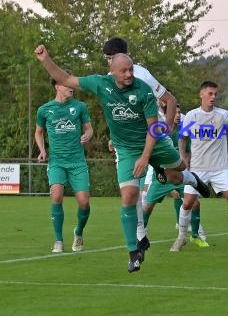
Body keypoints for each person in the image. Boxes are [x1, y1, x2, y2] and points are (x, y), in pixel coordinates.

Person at [35, 45, 209, 273]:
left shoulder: (143, 90)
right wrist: (45, 59)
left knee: (177, 174)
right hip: (126, 149)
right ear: (112, 70)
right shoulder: (100, 83)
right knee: (129, 195)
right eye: (124, 71)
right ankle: (134, 251)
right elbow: (65, 78)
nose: (129, 74)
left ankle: (191, 178)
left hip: (153, 142)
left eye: (130, 70)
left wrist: (146, 157)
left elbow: (152, 128)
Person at [102, 37, 178, 257]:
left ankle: (190, 229)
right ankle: (140, 236)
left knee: (177, 181)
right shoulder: (110, 79)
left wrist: (167, 127)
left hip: (153, 139)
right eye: (107, 59)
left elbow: (169, 100)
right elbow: (118, 114)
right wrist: (114, 137)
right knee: (132, 191)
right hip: (130, 144)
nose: (108, 63)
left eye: (109, 58)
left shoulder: (141, 75)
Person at [170, 81, 228, 251]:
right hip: (197, 168)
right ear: (201, 94)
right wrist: (183, 158)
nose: (213, 97)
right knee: (188, 203)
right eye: (210, 93)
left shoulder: (223, 115)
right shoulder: (191, 116)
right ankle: (181, 238)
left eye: (215, 94)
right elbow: (182, 137)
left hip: (221, 167)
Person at [35, 77, 93, 253]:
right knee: (57, 196)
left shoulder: (80, 107)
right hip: (56, 162)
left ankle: (79, 232)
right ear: (57, 86)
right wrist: (42, 150)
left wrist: (88, 135)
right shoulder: (44, 110)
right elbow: (38, 132)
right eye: (68, 85)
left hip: (77, 162)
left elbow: (89, 128)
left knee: (84, 202)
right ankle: (58, 240)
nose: (72, 87)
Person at [143, 102, 208, 246]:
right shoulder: (158, 132)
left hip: (181, 174)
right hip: (161, 176)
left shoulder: (183, 132)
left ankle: (195, 235)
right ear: (167, 115)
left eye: (179, 113)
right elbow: (152, 155)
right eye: (175, 113)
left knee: (195, 203)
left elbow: (188, 152)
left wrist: (188, 166)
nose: (178, 115)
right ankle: (141, 234)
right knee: (147, 206)